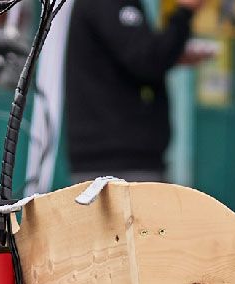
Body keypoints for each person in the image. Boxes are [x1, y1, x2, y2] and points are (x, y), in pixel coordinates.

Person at [64, 0, 206, 185]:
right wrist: (184, 12)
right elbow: (146, 59)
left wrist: (172, 53)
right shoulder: (108, 4)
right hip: (116, 161)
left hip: (121, 158)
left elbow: (136, 54)